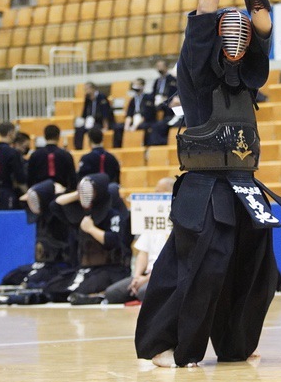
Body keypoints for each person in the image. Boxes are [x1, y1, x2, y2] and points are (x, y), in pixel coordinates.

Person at [135, 0, 281, 368]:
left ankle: (237, 344)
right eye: (225, 34)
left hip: (245, 188)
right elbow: (204, 15)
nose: (236, 39)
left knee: (256, 270)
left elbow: (264, 26)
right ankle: (166, 344)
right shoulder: (195, 79)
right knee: (199, 269)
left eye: (241, 35)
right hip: (205, 191)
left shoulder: (249, 81)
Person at [44, 173, 132, 303]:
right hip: (85, 268)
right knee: (51, 289)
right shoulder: (80, 214)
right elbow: (55, 206)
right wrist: (78, 193)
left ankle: (97, 297)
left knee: (79, 291)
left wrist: (91, 229)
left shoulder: (113, 214)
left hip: (110, 268)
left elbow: (113, 241)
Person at [104, 177, 176, 304]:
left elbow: (172, 260)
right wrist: (137, 276)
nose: (156, 196)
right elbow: (143, 253)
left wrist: (147, 279)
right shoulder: (152, 220)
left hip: (166, 275)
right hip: (146, 274)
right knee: (112, 293)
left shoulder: (177, 224)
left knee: (144, 292)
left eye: (159, 192)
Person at [0, 121, 27, 210]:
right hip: (9, 191)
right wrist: (27, 192)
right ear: (10, 133)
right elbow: (19, 177)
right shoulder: (12, 153)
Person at [27, 125, 77, 190]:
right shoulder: (66, 155)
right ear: (58, 136)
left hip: (40, 191)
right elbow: (72, 178)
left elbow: (30, 177)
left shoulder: (35, 155)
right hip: (61, 191)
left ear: (44, 136)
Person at [113, 78, 157, 148]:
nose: (135, 86)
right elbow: (129, 114)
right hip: (134, 119)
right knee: (118, 127)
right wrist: (127, 126)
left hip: (144, 120)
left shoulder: (148, 98)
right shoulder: (133, 99)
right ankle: (119, 147)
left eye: (138, 84)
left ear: (142, 86)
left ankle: (145, 147)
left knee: (144, 127)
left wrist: (135, 126)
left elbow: (147, 114)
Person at [73, 82, 114, 150]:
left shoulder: (102, 97)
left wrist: (105, 126)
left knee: (95, 129)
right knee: (79, 130)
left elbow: (105, 113)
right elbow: (84, 112)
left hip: (98, 122)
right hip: (89, 121)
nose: (85, 91)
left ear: (92, 89)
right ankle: (79, 148)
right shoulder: (87, 98)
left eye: (87, 89)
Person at [147, 61, 179, 146]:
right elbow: (153, 93)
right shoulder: (157, 81)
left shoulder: (172, 79)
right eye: (158, 66)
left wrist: (166, 99)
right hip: (158, 105)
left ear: (166, 67)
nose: (159, 68)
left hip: (170, 106)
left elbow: (175, 93)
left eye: (161, 66)